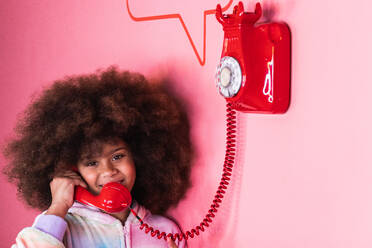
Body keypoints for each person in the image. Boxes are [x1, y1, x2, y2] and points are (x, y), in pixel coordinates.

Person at [2, 66, 194, 248]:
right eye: (92, 162)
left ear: (140, 155)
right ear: (73, 171)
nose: (108, 170)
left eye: (118, 156)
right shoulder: (61, 227)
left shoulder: (164, 231)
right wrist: (58, 207)